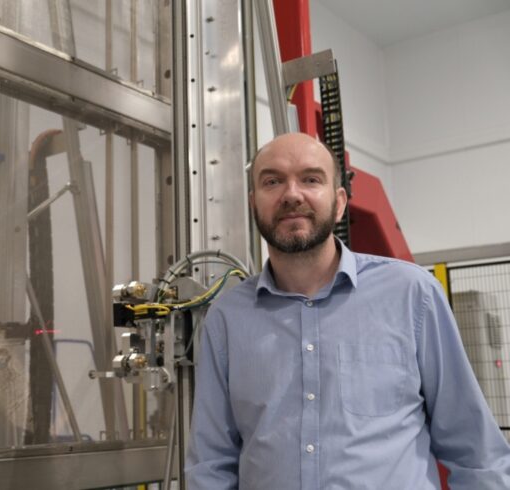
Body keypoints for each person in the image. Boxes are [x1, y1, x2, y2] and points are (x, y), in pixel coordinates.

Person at [185, 132, 510, 489]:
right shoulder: (228, 319)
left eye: (311, 179)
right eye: (272, 181)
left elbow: (477, 454)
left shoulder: (412, 295)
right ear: (253, 203)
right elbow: (211, 463)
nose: (292, 194)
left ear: (339, 203)